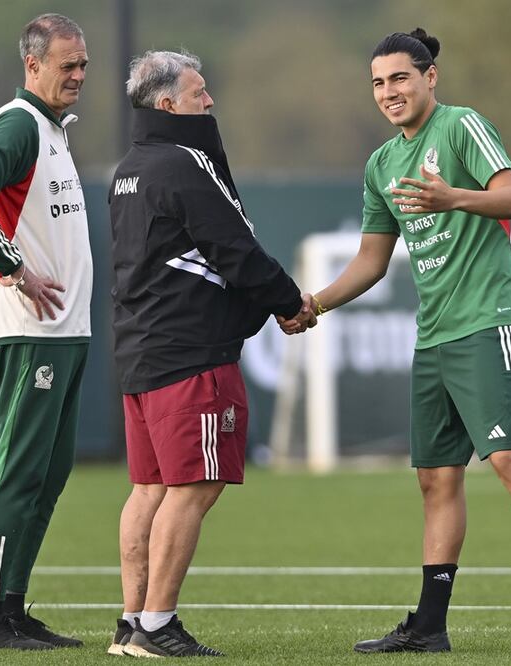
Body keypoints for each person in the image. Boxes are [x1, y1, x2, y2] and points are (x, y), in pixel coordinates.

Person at [289, 29, 511, 654]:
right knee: (435, 480)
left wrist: (452, 196)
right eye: (377, 83)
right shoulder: (380, 165)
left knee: (510, 460)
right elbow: (372, 261)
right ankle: (430, 626)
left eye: (399, 78)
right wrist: (314, 302)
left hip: (490, 321)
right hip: (434, 338)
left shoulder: (461, 127)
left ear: (430, 77)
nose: (388, 92)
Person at [106, 49, 314, 658]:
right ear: (168, 103)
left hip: (141, 355)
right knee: (193, 488)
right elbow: (236, 249)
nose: (210, 101)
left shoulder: (128, 168)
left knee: (148, 488)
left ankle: (130, 624)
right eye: (200, 92)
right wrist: (286, 300)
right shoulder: (182, 164)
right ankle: (156, 624)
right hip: (191, 355)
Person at [0, 13, 92, 651]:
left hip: (63, 332)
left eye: (84, 63)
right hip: (29, 330)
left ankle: (11, 605)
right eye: (68, 64)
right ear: (32, 65)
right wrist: (14, 267)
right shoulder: (19, 125)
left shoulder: (53, 132)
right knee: (21, 469)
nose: (79, 75)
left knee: (49, 471)